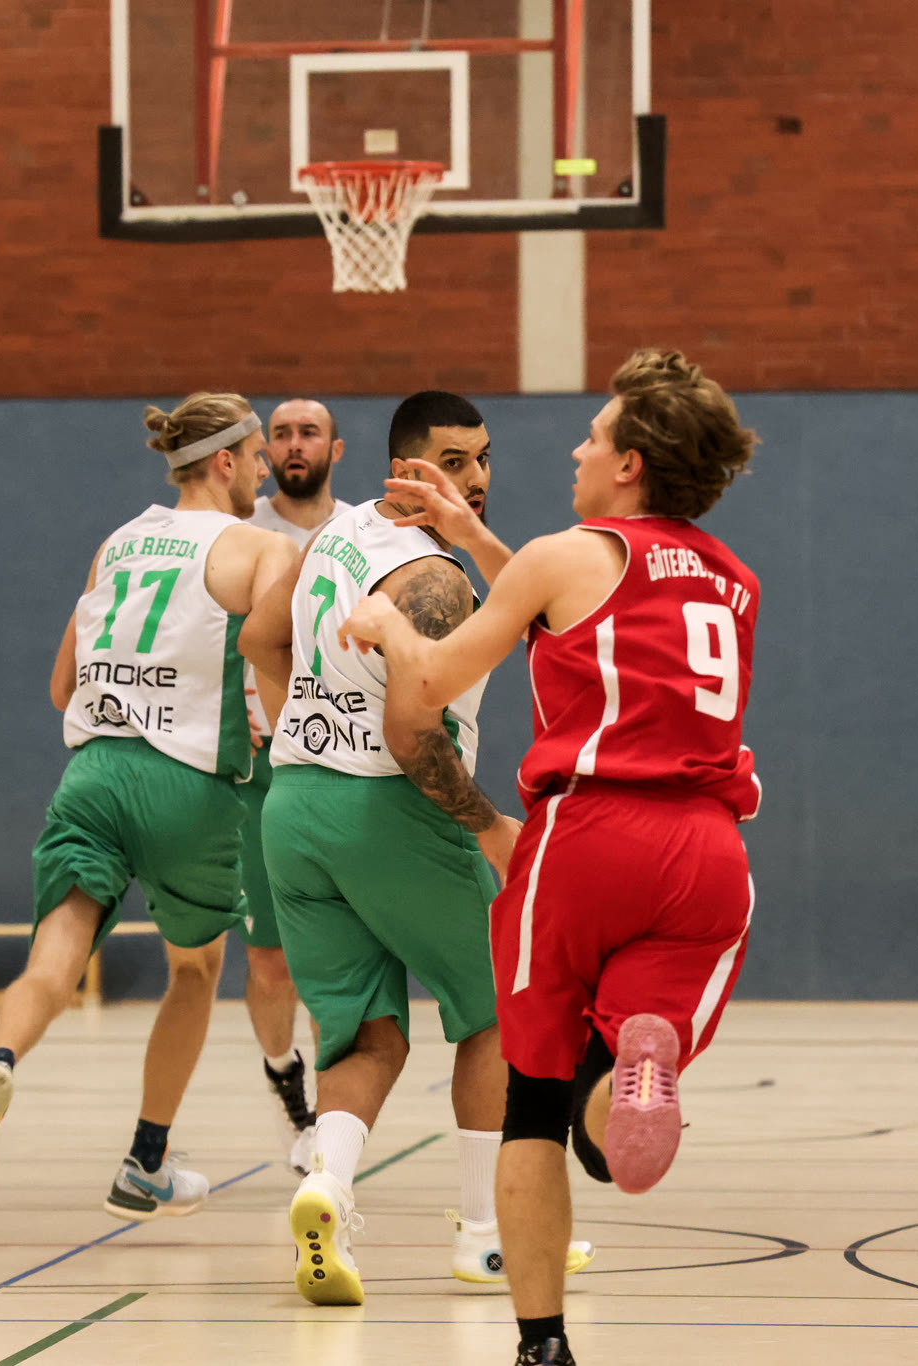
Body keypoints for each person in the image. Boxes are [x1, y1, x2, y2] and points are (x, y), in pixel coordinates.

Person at [340, 350, 761, 1366]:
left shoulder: (559, 555)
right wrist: (471, 535)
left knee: (529, 1100)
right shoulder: (731, 577)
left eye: (593, 435)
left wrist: (388, 623)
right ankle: (628, 1068)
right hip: (706, 852)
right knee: (609, 1094)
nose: (576, 449)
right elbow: (575, 600)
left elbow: (433, 681)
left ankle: (542, 1346)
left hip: (585, 839)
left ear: (629, 464)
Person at [0, 392, 298, 1221]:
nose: (265, 475)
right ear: (226, 461)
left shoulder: (116, 544)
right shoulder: (264, 549)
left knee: (50, 968)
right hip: (188, 787)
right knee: (194, 971)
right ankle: (145, 1163)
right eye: (258, 459)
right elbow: (274, 658)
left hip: (91, 775)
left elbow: (63, 685)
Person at [241, 390, 530, 1306]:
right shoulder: (436, 581)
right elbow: (412, 735)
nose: (476, 478)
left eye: (484, 457)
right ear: (409, 469)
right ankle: (486, 1238)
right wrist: (489, 825)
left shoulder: (337, 531)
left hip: (295, 809)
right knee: (496, 1016)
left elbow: (259, 636)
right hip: (392, 811)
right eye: (454, 461)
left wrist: (307, 742)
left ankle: (327, 1189)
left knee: (367, 1033)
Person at [239, 397, 354, 1174]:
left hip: (340, 765)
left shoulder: (361, 534)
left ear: (335, 449)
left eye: (308, 432)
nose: (293, 444)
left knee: (330, 959)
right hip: (259, 772)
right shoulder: (241, 535)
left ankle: (333, 1122)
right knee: (271, 965)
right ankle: (285, 1074)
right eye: (279, 433)